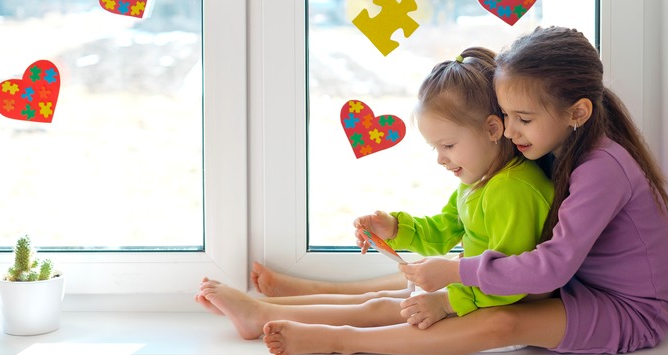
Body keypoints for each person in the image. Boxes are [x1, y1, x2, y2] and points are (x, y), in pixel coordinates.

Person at [261, 26, 668, 355]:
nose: (509, 130)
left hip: (627, 311)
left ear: (577, 112)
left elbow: (549, 267)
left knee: (500, 323)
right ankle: (288, 304)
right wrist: (401, 231)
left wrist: (455, 274)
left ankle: (343, 341)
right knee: (423, 292)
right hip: (574, 289)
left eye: (523, 119)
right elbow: (453, 226)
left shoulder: (601, 169)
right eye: (506, 116)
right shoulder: (547, 150)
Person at [196, 46, 554, 336]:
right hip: (475, 296)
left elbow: (511, 279)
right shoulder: (483, 181)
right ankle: (264, 308)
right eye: (435, 149)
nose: (441, 160)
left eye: (448, 145)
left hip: (497, 307)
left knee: (382, 306)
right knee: (385, 296)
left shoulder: (511, 190)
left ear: (493, 129)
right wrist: (397, 229)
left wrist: (446, 303)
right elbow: (446, 229)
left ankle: (259, 315)